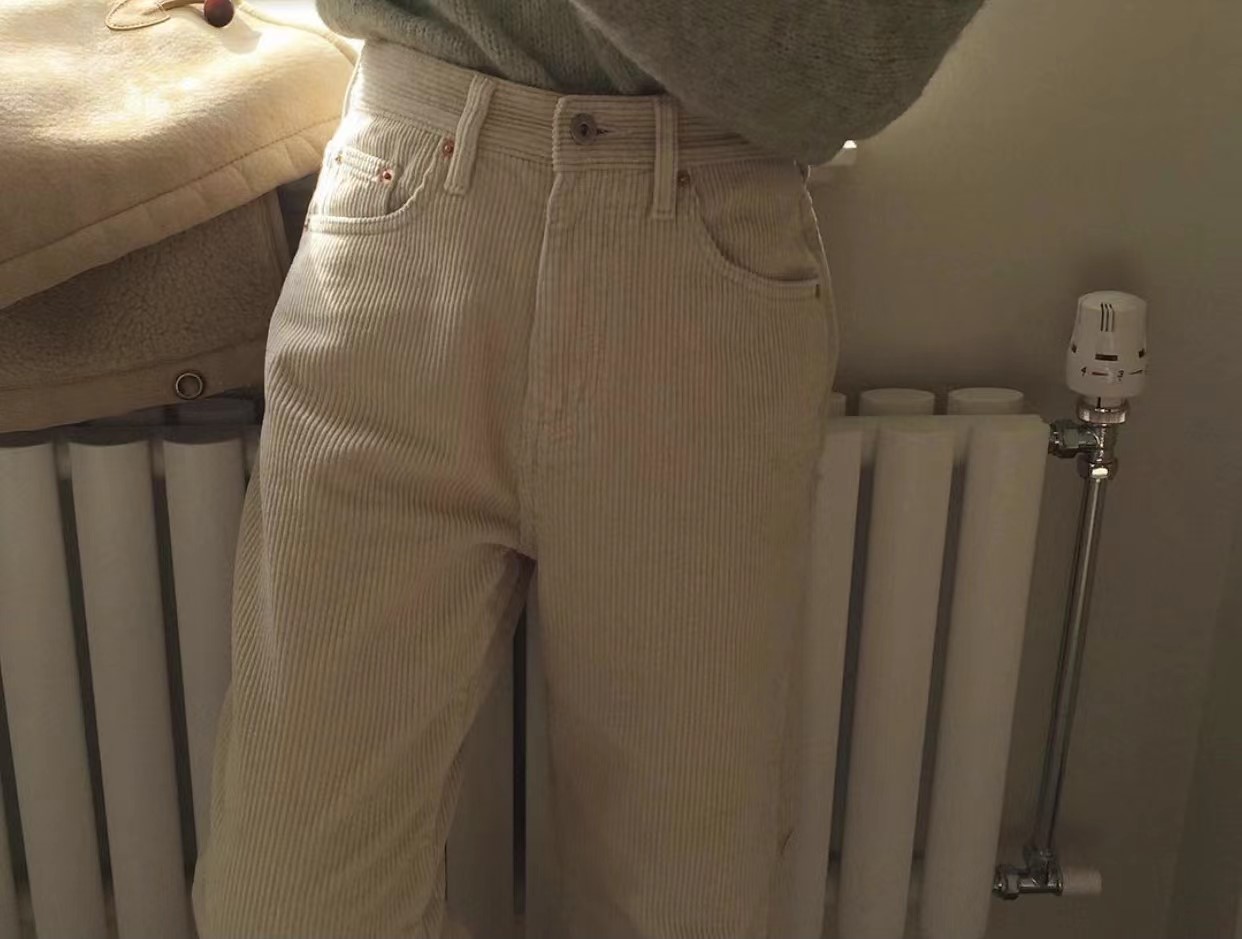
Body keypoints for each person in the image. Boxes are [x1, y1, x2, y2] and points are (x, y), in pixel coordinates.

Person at [193, 2, 984, 936]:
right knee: (284, 902)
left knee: (681, 899)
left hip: (699, 258)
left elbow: (846, 76)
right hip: (406, 214)